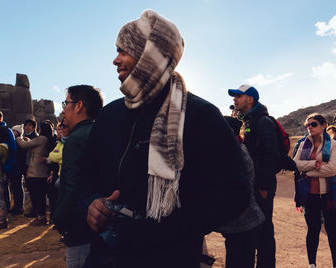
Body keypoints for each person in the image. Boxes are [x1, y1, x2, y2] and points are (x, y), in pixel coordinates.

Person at [85, 10, 250, 268]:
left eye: (123, 51)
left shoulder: (200, 115)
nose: (115, 60)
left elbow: (234, 192)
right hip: (106, 257)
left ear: (149, 54)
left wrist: (168, 229)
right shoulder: (109, 115)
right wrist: (90, 204)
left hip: (172, 257)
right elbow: (87, 176)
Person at [52, 85, 103, 268]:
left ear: (79, 106)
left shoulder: (76, 139)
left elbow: (72, 187)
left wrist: (59, 218)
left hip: (78, 226)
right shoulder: (100, 132)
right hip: (98, 223)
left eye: (66, 103)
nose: (63, 109)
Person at [228, 84, 280, 267]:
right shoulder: (247, 121)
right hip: (252, 183)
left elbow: (270, 155)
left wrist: (264, 187)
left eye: (238, 96)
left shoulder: (263, 121)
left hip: (262, 185)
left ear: (249, 99)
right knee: (253, 229)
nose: (234, 99)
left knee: (264, 230)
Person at [293, 113, 336, 268]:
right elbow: (295, 164)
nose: (310, 128)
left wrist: (307, 171)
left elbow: (332, 169)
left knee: (333, 230)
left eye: (313, 124)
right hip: (310, 195)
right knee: (313, 230)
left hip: (332, 194)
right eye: (307, 125)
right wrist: (315, 163)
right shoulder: (303, 144)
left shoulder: (335, 145)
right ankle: (312, 264)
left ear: (324, 125)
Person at [218, 116, 265, 268]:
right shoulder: (235, 147)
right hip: (239, 222)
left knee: (240, 260)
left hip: (244, 221)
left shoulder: (236, 151)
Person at [17, 121, 53, 225]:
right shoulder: (47, 139)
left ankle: (40, 217)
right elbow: (33, 145)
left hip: (36, 172)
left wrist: (18, 137)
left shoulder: (41, 139)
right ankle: (41, 217)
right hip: (43, 172)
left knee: (36, 196)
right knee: (40, 196)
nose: (38, 130)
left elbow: (25, 145)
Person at [21, 119, 39, 218]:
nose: (27, 127)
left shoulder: (36, 137)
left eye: (30, 125)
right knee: (29, 187)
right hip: (24, 165)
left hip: (32, 166)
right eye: (26, 125)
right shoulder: (24, 136)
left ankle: (35, 210)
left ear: (33, 127)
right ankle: (33, 209)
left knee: (33, 188)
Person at [10, 124, 26, 215]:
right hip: (16, 167)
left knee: (18, 188)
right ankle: (17, 206)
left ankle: (19, 207)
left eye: (14, 131)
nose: (12, 132)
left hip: (18, 167)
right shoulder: (15, 141)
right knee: (16, 188)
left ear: (18, 132)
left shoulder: (19, 141)